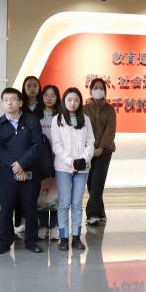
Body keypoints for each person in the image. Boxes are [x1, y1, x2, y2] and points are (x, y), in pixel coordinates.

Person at [0, 88, 44, 255]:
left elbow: (37, 145)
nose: (9, 102)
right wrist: (15, 166)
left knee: (30, 208)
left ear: (20, 102)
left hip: (30, 173)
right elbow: (0, 150)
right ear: (2, 103)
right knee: (6, 208)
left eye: (13, 99)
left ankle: (31, 241)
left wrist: (22, 163)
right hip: (8, 174)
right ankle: (4, 242)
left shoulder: (32, 120)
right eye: (6, 99)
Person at [50, 88, 95, 251]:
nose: (73, 103)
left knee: (77, 204)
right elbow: (57, 146)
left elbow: (90, 142)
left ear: (80, 101)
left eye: (76, 100)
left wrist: (84, 159)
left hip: (82, 169)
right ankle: (63, 237)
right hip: (63, 168)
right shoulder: (57, 119)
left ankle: (76, 237)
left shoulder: (86, 119)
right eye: (69, 99)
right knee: (64, 203)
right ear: (64, 101)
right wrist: (71, 161)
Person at [84, 78, 117, 226]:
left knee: (98, 181)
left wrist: (101, 148)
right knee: (91, 183)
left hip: (105, 151)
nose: (98, 90)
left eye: (101, 88)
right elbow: (82, 130)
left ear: (105, 91)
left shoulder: (110, 109)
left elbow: (110, 131)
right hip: (88, 151)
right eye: (95, 87)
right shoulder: (84, 109)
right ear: (91, 90)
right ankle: (101, 212)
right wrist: (90, 149)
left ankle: (92, 214)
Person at [13, 76, 42, 234]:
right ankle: (21, 221)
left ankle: (37, 222)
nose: (32, 88)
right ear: (24, 88)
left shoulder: (44, 105)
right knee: (19, 190)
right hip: (22, 152)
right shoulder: (19, 106)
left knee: (38, 190)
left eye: (35, 85)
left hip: (40, 151)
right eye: (28, 85)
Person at [37, 85, 61, 240]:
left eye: (53, 95)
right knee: (42, 192)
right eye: (46, 95)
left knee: (57, 193)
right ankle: (43, 225)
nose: (49, 98)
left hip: (59, 159)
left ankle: (54, 227)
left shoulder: (62, 116)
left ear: (57, 98)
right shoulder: (36, 115)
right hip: (41, 160)